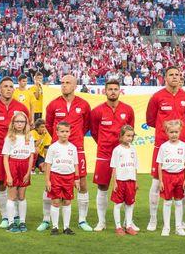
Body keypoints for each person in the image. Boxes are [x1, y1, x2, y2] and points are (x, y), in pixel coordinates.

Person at [41, 74, 92, 231]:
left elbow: (87, 125)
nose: (64, 85)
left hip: (77, 148)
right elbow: (49, 125)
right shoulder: (53, 105)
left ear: (75, 86)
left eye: (68, 83)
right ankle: (46, 219)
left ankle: (82, 220)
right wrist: (58, 139)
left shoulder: (83, 104)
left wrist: (75, 138)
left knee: (82, 184)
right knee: (49, 184)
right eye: (62, 83)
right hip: (57, 149)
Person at [145, 66, 185, 232]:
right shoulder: (157, 97)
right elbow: (150, 120)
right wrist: (163, 132)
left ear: (180, 77)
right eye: (171, 75)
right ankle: (153, 220)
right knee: (157, 182)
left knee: (183, 183)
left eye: (177, 75)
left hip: (182, 145)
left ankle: (181, 220)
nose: (174, 77)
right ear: (164, 78)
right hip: (161, 144)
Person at [0, 77, 30, 229]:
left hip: (18, 155)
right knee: (1, 184)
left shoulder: (22, 108)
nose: (8, 89)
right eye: (5, 86)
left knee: (17, 183)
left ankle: (15, 214)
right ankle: (4, 216)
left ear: (13, 89)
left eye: (10, 86)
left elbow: (27, 128)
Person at [89, 79, 135, 231]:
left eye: (116, 89)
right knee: (103, 187)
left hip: (124, 156)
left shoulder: (128, 110)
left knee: (127, 187)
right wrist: (104, 144)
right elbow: (94, 133)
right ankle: (101, 222)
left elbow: (130, 131)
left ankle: (128, 222)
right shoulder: (97, 111)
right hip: (104, 154)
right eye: (110, 89)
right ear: (105, 91)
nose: (113, 91)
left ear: (119, 91)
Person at [2, 112, 36, 232]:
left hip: (24, 166)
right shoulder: (9, 137)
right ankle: (11, 223)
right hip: (13, 165)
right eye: (17, 122)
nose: (20, 124)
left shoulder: (30, 137)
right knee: (12, 196)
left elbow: (31, 155)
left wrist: (28, 172)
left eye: (22, 122)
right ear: (13, 123)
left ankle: (22, 221)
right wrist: (9, 175)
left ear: (26, 123)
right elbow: (5, 157)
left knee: (21, 196)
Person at [44, 121, 79, 235]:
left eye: (67, 131)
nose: (64, 134)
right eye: (62, 131)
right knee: (55, 202)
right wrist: (47, 180)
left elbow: (76, 164)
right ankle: (55, 227)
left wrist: (76, 178)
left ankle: (66, 227)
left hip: (69, 178)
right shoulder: (53, 147)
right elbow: (48, 164)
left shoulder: (73, 148)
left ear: (70, 133)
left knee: (67, 202)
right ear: (57, 132)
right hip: (56, 177)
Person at [156, 120, 185, 236]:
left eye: (176, 132)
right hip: (167, 176)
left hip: (180, 176)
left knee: (179, 202)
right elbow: (159, 164)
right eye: (171, 132)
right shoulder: (163, 147)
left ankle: (179, 227)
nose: (174, 134)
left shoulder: (184, 146)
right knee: (167, 202)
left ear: (180, 132)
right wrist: (160, 181)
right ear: (167, 133)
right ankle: (166, 228)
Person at [110, 124, 139, 236]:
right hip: (120, 181)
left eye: (131, 136)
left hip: (131, 181)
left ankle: (128, 226)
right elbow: (114, 167)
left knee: (130, 204)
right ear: (121, 136)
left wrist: (136, 181)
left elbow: (135, 166)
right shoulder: (117, 150)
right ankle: (118, 227)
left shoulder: (133, 149)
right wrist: (115, 182)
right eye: (127, 135)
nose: (130, 138)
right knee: (118, 204)